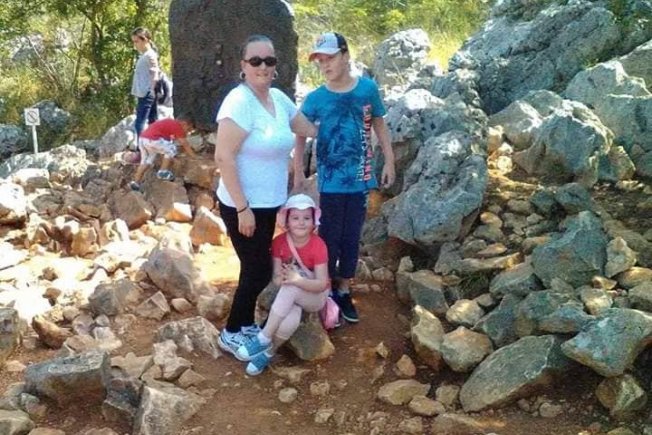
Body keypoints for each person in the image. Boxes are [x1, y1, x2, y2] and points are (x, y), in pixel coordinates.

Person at [214, 35, 316, 358]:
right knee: (257, 269)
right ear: (243, 66)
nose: (263, 67)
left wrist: (337, 113)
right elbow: (223, 157)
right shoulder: (238, 102)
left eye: (269, 61)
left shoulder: (279, 100)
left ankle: (245, 324)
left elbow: (306, 127)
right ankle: (231, 332)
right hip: (243, 205)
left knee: (255, 267)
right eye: (255, 61)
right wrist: (242, 207)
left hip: (270, 203)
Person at [294, 32, 396, 324]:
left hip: (360, 177)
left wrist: (389, 160)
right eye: (320, 60)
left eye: (330, 58)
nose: (325, 64)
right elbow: (300, 130)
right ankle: (324, 288)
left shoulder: (367, 89)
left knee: (352, 236)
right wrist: (298, 169)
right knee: (329, 235)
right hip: (330, 181)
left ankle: (343, 289)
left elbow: (379, 124)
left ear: (346, 55)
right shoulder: (316, 98)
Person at [235, 194, 329, 375]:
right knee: (289, 320)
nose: (301, 223)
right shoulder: (279, 242)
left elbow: (321, 284)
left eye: (306, 218)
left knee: (291, 286)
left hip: (315, 296)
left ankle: (263, 337)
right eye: (295, 218)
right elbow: (277, 278)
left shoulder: (318, 245)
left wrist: (297, 280)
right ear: (287, 221)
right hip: (290, 292)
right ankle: (268, 353)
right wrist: (287, 278)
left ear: (313, 221)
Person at [129, 117, 195, 191]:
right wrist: (194, 157)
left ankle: (136, 182)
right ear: (184, 124)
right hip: (153, 139)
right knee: (172, 148)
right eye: (188, 129)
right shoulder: (177, 125)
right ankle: (163, 171)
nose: (187, 132)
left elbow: (166, 142)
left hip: (143, 139)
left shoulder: (168, 124)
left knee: (146, 161)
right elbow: (184, 143)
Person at [131, 27, 160, 142]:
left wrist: (151, 90)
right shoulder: (145, 55)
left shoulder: (150, 55)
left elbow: (155, 73)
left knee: (140, 123)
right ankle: (155, 145)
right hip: (145, 92)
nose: (135, 45)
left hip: (146, 93)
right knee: (153, 121)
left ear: (145, 40)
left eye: (137, 41)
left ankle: (142, 147)